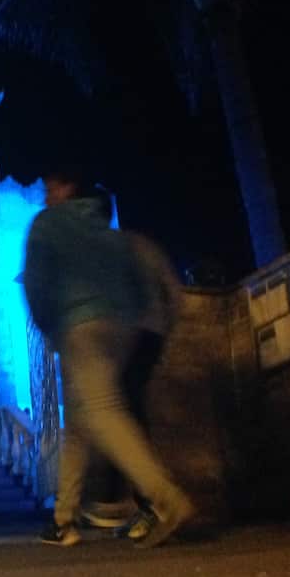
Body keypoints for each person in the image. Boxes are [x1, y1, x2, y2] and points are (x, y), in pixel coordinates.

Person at [22, 166, 193, 548]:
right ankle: (63, 520)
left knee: (100, 411)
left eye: (52, 186)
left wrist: (49, 327)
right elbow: (134, 279)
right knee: (81, 426)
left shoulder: (47, 224)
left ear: (68, 188)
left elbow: (36, 282)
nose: (46, 194)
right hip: (122, 328)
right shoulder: (107, 232)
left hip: (80, 326)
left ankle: (166, 499)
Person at [82, 207, 184, 537]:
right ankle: (125, 500)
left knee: (118, 412)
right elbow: (174, 291)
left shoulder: (113, 249)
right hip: (149, 334)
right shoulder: (144, 246)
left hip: (130, 335)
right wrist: (165, 328)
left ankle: (136, 501)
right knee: (124, 408)